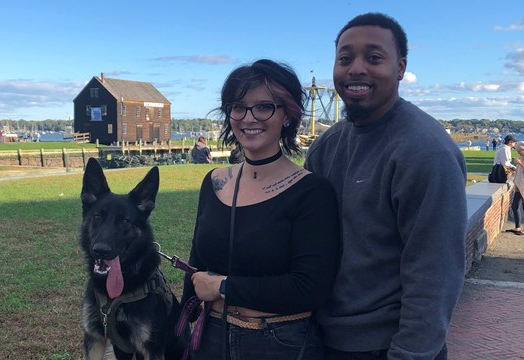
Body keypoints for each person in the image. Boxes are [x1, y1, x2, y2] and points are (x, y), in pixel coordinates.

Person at [304, 13, 467, 359]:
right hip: (322, 339)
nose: (356, 68)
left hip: (390, 346)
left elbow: (434, 273)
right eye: (345, 58)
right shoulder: (325, 147)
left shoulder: (426, 151)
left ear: (400, 67)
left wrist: (410, 353)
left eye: (374, 58)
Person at [182, 59, 340, 359]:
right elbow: (197, 265)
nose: (248, 118)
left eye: (264, 106)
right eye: (238, 106)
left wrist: (224, 287)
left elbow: (310, 288)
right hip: (210, 337)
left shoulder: (311, 192)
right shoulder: (214, 181)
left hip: (278, 342)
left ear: (288, 115)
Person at [508, 141, 524, 235]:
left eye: (519, 151)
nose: (518, 153)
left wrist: (520, 163)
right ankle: (517, 227)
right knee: (515, 206)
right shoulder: (521, 157)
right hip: (518, 184)